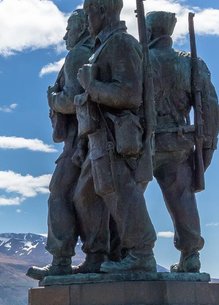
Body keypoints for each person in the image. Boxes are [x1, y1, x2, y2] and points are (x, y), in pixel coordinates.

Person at [75, 0, 158, 273]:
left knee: (121, 194)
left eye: (88, 14)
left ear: (101, 10)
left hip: (115, 138)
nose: (87, 21)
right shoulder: (103, 45)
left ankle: (141, 253)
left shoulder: (121, 43)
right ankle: (97, 256)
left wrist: (91, 86)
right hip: (98, 138)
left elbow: (131, 94)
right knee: (85, 197)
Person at [28, 9, 108, 279]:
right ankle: (93, 256)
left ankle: (64, 259)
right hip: (90, 137)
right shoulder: (96, 51)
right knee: (86, 197)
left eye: (69, 29)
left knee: (61, 193)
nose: (65, 35)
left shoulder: (78, 55)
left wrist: (52, 98)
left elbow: (72, 101)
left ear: (82, 28)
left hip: (80, 139)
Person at [147, 11, 219, 273]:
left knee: (128, 195)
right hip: (179, 141)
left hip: (145, 143)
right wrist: (208, 145)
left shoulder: (142, 60)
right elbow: (210, 109)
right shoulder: (190, 63)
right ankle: (190, 254)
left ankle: (132, 250)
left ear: (151, 32)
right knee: (182, 197)